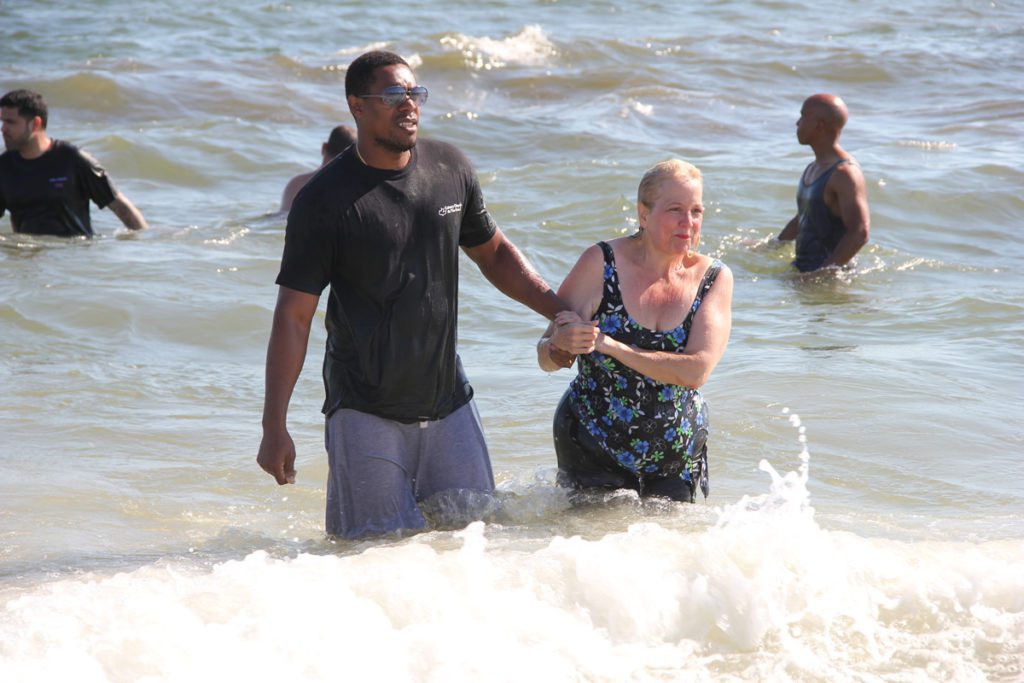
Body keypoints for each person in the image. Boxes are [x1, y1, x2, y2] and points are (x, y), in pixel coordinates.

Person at [256, 50, 572, 539]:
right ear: (357, 106)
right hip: (365, 411)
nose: (409, 105)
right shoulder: (324, 201)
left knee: (479, 546)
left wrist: (561, 311)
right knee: (372, 559)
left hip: (449, 404)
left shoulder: (449, 168)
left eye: (414, 92)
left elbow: (494, 254)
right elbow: (293, 318)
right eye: (392, 94)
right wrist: (273, 424)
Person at [538, 159, 733, 503]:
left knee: (670, 551)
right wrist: (561, 344)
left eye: (696, 211)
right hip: (592, 440)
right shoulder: (601, 263)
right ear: (643, 213)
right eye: (675, 210)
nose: (688, 223)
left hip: (676, 451)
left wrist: (612, 346)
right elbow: (546, 355)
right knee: (593, 547)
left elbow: (696, 370)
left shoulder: (713, 278)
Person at [0, 89, 148, 237]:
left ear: (36, 124)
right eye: (2, 122)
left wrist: (147, 247)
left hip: (73, 255)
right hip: (27, 257)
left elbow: (122, 209)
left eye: (10, 122)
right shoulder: (4, 167)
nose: (3, 129)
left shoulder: (73, 159)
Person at [776, 93, 870, 272]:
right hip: (804, 271)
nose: (797, 123)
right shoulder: (813, 167)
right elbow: (805, 217)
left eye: (803, 116)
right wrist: (774, 244)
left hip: (831, 279)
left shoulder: (845, 173)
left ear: (819, 125)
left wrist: (821, 275)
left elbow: (859, 233)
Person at [279, 124, 356, 212]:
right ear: (353, 157)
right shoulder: (351, 189)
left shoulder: (296, 183)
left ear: (323, 147)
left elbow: (281, 217)